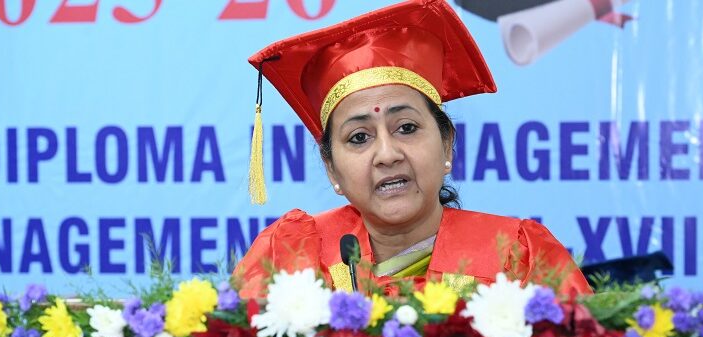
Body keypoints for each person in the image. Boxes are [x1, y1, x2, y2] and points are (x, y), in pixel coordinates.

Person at [233, 0, 591, 299]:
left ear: (447, 145)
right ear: (331, 170)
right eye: (359, 137)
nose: (387, 154)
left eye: (406, 128)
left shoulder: (517, 257)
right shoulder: (292, 257)